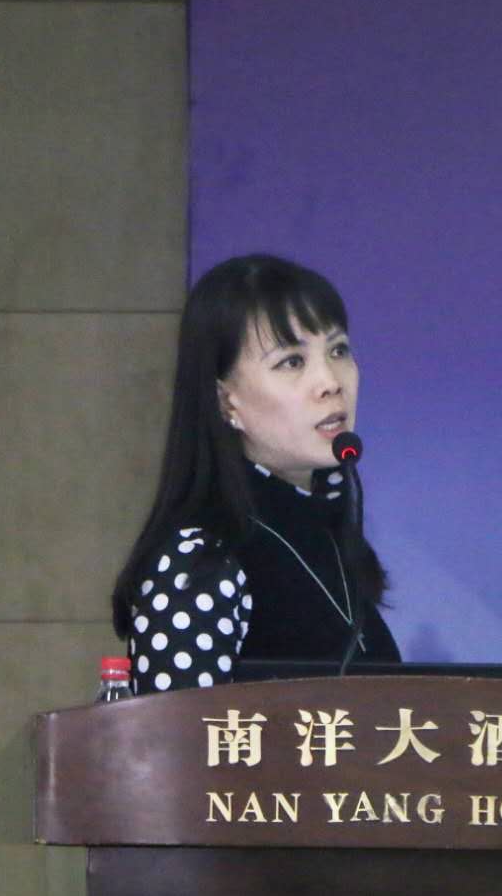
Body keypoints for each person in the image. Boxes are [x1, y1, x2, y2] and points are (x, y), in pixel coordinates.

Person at [110, 254, 400, 693]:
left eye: (338, 351)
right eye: (291, 362)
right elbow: (174, 734)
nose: (330, 382)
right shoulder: (200, 559)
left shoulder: (328, 537)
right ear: (226, 401)